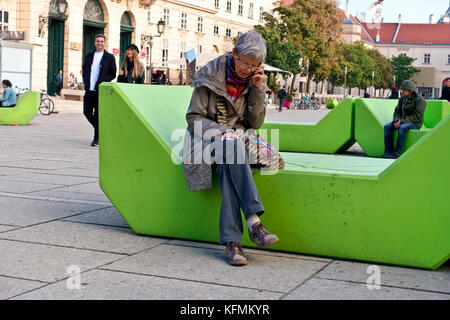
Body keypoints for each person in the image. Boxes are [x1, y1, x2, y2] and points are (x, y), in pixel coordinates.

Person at [182, 31, 279, 266]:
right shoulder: (209, 76)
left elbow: (255, 123)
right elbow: (194, 117)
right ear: (234, 53)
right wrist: (220, 132)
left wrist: (258, 89)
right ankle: (254, 221)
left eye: (253, 66)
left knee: (231, 161)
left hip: (237, 144)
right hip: (204, 139)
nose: (247, 69)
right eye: (244, 63)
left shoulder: (253, 80)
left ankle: (234, 244)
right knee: (233, 149)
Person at [82, 34, 117, 147]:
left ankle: (96, 138)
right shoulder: (89, 55)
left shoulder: (110, 57)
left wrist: (103, 81)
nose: (100, 43)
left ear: (105, 43)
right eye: (98, 41)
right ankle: (101, 130)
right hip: (89, 89)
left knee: (97, 114)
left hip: (100, 90)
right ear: (95, 42)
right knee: (86, 112)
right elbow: (85, 69)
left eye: (102, 41)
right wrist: (85, 81)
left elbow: (113, 73)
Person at [383, 80, 426, 159]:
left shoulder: (420, 100)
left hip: (415, 123)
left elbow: (417, 116)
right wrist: (396, 120)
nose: (401, 91)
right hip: (402, 121)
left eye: (403, 90)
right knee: (387, 127)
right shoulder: (402, 98)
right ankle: (388, 152)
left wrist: (401, 122)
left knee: (402, 128)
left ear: (410, 91)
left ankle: (396, 153)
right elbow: (397, 111)